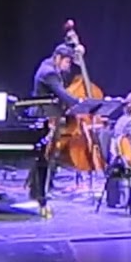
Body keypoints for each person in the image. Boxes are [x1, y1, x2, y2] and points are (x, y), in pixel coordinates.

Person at [28, 44, 81, 213]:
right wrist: (80, 104)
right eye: (67, 62)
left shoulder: (48, 65)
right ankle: (40, 194)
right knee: (44, 157)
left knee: (46, 157)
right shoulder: (49, 72)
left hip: (47, 115)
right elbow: (62, 94)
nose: (68, 66)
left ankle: (40, 190)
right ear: (58, 57)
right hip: (43, 116)